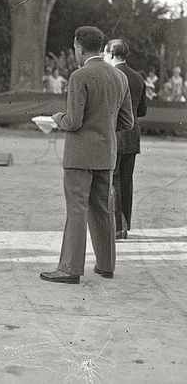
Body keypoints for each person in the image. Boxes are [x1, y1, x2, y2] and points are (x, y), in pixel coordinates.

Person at [41, 26, 134, 284]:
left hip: (79, 156)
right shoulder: (120, 77)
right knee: (103, 209)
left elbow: (73, 121)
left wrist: (56, 118)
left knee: (77, 209)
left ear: (79, 48)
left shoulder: (79, 76)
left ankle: (70, 268)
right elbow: (127, 122)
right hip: (106, 154)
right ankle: (106, 265)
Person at [103, 39, 147, 240]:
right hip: (133, 136)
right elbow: (142, 111)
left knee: (114, 180)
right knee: (127, 180)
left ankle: (117, 227)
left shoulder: (113, 75)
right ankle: (125, 225)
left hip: (117, 134)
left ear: (111, 54)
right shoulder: (138, 77)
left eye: (105, 54)